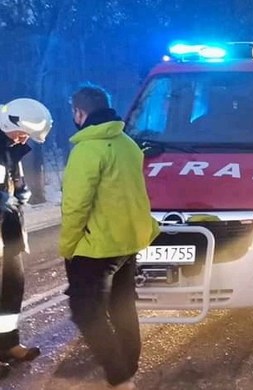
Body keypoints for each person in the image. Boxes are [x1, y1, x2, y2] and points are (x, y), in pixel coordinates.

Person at [61, 85, 159, 390]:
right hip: (127, 242)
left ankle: (119, 377)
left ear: (80, 112)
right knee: (122, 307)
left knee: (85, 311)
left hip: (97, 248)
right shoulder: (127, 143)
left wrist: (68, 246)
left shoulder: (87, 150)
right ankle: (128, 367)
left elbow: (76, 205)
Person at [0, 98, 52, 378]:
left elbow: (13, 187)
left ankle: (7, 344)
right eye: (21, 133)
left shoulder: (10, 149)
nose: (23, 139)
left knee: (12, 288)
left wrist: (19, 196)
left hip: (8, 233)